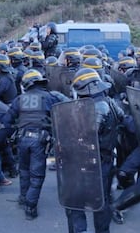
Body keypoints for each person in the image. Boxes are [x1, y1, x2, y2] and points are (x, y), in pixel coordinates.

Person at [3, 69, 69, 220]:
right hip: (40, 140)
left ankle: (23, 197)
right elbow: (65, 110)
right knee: (37, 175)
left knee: (24, 170)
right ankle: (30, 207)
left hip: (21, 139)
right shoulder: (49, 97)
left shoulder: (19, 99)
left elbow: (7, 120)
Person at [65, 68, 124, 232]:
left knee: (75, 201)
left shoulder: (97, 108)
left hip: (90, 163)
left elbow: (86, 136)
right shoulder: (110, 102)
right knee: (102, 202)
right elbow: (124, 122)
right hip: (106, 160)